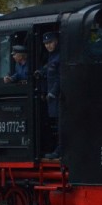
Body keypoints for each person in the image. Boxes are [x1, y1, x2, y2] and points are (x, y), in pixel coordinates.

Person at [41, 30, 61, 159]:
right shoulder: (51, 57)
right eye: (46, 43)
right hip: (52, 97)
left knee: (61, 124)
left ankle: (60, 150)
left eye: (50, 42)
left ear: (56, 42)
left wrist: (52, 92)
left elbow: (60, 77)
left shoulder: (59, 57)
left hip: (59, 98)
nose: (48, 45)